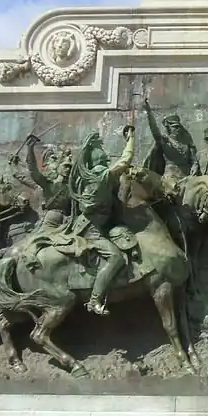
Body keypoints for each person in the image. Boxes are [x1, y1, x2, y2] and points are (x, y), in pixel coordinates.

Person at [68, 127, 135, 316]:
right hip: (91, 229)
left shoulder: (88, 176)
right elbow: (125, 160)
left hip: (92, 223)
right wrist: (131, 138)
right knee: (116, 258)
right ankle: (94, 300)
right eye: (106, 163)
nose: (108, 166)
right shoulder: (101, 176)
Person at [143, 101, 199, 178]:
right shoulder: (165, 141)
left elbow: (193, 158)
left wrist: (195, 166)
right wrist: (149, 113)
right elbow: (154, 130)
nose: (177, 129)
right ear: (168, 128)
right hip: (170, 176)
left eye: (178, 127)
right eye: (174, 127)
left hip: (186, 175)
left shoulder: (186, 141)